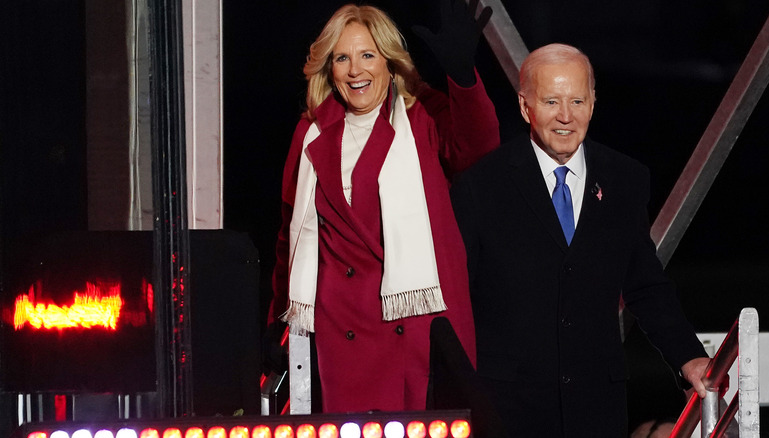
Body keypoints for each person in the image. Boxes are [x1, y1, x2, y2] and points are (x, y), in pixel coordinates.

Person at [450, 43, 711, 437]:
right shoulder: (481, 187)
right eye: (552, 101)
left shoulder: (625, 180)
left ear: (593, 102)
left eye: (577, 100)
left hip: (596, 408)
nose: (566, 116)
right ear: (526, 107)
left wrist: (689, 358)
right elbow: (456, 300)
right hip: (508, 410)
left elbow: (646, 284)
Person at [266, 0, 500, 413]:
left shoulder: (422, 114)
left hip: (416, 329)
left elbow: (478, 149)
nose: (356, 70)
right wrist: (277, 325)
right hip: (340, 334)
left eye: (368, 55)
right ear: (329, 68)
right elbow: (289, 235)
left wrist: (463, 79)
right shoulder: (311, 132)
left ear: (389, 63)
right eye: (343, 58)